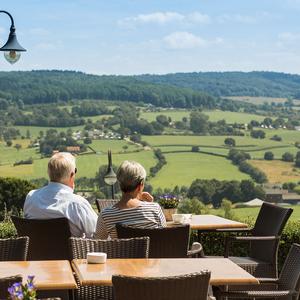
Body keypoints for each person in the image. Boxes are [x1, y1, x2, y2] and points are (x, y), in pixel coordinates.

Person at [24, 152, 97, 238]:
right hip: (71, 251)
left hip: (35, 251)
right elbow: (98, 235)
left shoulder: (31, 197)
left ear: (48, 172)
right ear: (72, 174)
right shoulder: (77, 204)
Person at [94, 160, 166, 239]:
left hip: (122, 251)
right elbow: (163, 236)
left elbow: (97, 243)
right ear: (140, 186)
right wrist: (148, 204)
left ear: (119, 184)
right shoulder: (155, 209)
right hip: (152, 251)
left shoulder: (106, 215)